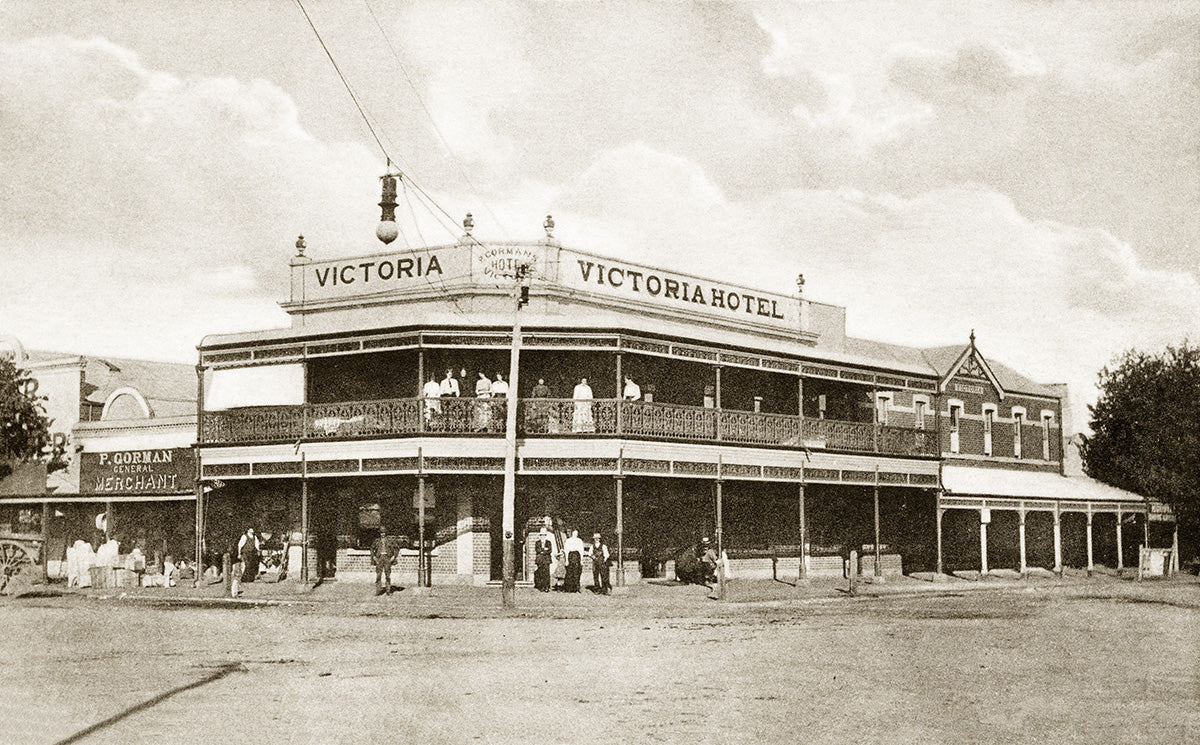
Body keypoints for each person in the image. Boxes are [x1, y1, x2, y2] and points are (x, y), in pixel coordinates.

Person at [371, 526, 397, 595]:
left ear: (386, 533)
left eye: (384, 533)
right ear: (379, 533)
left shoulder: (390, 540)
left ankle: (388, 590)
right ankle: (378, 590)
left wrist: (393, 556)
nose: (383, 534)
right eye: (381, 533)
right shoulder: (377, 541)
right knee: (378, 575)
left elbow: (396, 548)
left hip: (387, 558)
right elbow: (371, 549)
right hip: (379, 558)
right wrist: (373, 556)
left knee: (387, 575)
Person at [533, 526, 554, 592]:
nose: (543, 536)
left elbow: (550, 550)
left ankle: (547, 587)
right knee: (540, 573)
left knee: (546, 573)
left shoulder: (548, 542)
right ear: (540, 535)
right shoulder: (537, 542)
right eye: (541, 535)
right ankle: (541, 586)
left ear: (546, 535)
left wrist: (543, 551)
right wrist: (544, 550)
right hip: (540, 560)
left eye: (544, 535)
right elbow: (537, 550)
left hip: (546, 560)